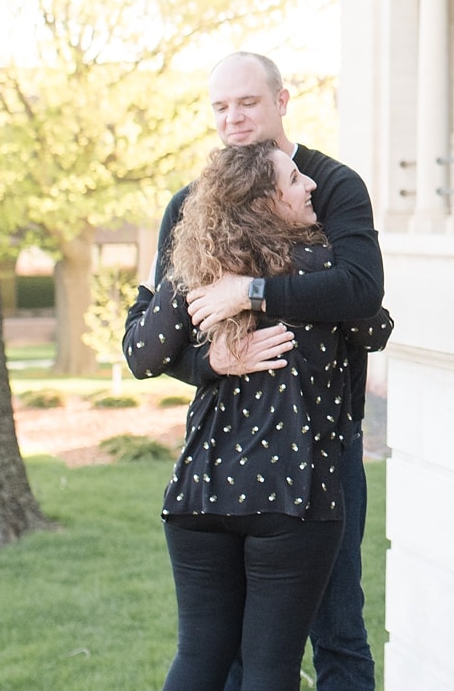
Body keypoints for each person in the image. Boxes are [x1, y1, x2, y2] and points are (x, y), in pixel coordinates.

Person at [133, 51, 384, 691]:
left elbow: (361, 294)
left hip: (322, 447)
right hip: (225, 454)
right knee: (235, 652)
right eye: (221, 106)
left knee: (338, 628)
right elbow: (160, 338)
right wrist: (210, 362)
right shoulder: (192, 207)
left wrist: (252, 290)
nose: (233, 118)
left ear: (281, 100)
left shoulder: (330, 185)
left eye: (246, 102)